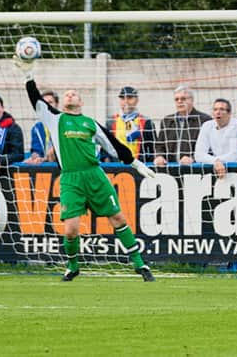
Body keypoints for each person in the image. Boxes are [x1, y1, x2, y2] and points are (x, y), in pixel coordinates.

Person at [16, 57, 157, 282]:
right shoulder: (55, 119)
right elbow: (36, 100)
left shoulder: (90, 123)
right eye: (67, 94)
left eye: (74, 93)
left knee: (118, 218)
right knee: (71, 230)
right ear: (63, 103)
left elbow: (113, 145)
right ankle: (73, 266)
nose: (70, 95)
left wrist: (136, 163)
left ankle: (140, 265)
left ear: (81, 102)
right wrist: (28, 75)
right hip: (71, 179)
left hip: (95, 175)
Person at [194, 98, 237, 178]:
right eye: (215, 109)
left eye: (222, 109)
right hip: (221, 168)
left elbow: (235, 156)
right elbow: (198, 155)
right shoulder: (207, 126)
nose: (218, 112)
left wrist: (216, 161)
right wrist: (215, 161)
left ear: (229, 113)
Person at [154, 85, 211, 166]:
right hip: (170, 168)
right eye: (176, 99)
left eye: (183, 99)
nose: (179, 101)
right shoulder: (167, 121)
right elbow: (159, 145)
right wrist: (159, 156)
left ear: (192, 100)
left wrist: (193, 159)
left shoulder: (204, 120)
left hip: (195, 168)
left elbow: (210, 147)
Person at [104, 86, 156, 163]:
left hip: (140, 166)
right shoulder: (111, 122)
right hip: (116, 166)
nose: (126, 101)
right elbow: (105, 147)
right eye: (122, 98)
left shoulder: (146, 122)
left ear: (137, 100)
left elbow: (153, 149)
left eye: (129, 98)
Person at [25, 90, 59, 164]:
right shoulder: (37, 128)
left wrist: (46, 157)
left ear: (57, 104)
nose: (47, 105)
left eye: (50, 102)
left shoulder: (63, 123)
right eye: (44, 103)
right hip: (46, 166)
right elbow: (36, 150)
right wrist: (35, 157)